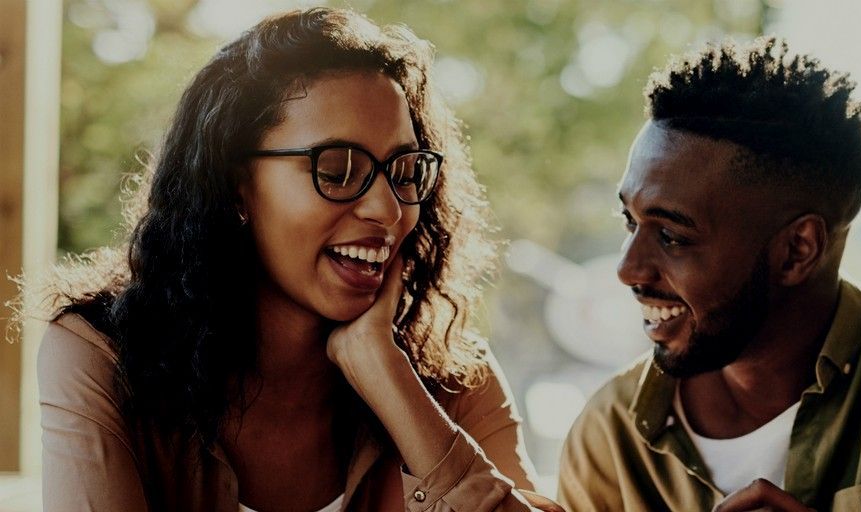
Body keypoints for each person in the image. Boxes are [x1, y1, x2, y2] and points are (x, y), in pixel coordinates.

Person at [32, 8, 562, 512]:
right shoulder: (103, 359)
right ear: (237, 186)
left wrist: (391, 380)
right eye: (336, 169)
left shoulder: (450, 373)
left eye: (404, 171)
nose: (389, 208)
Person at [557, 38, 861, 511]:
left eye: (672, 236)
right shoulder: (611, 440)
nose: (626, 269)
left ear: (797, 250)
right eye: (630, 223)